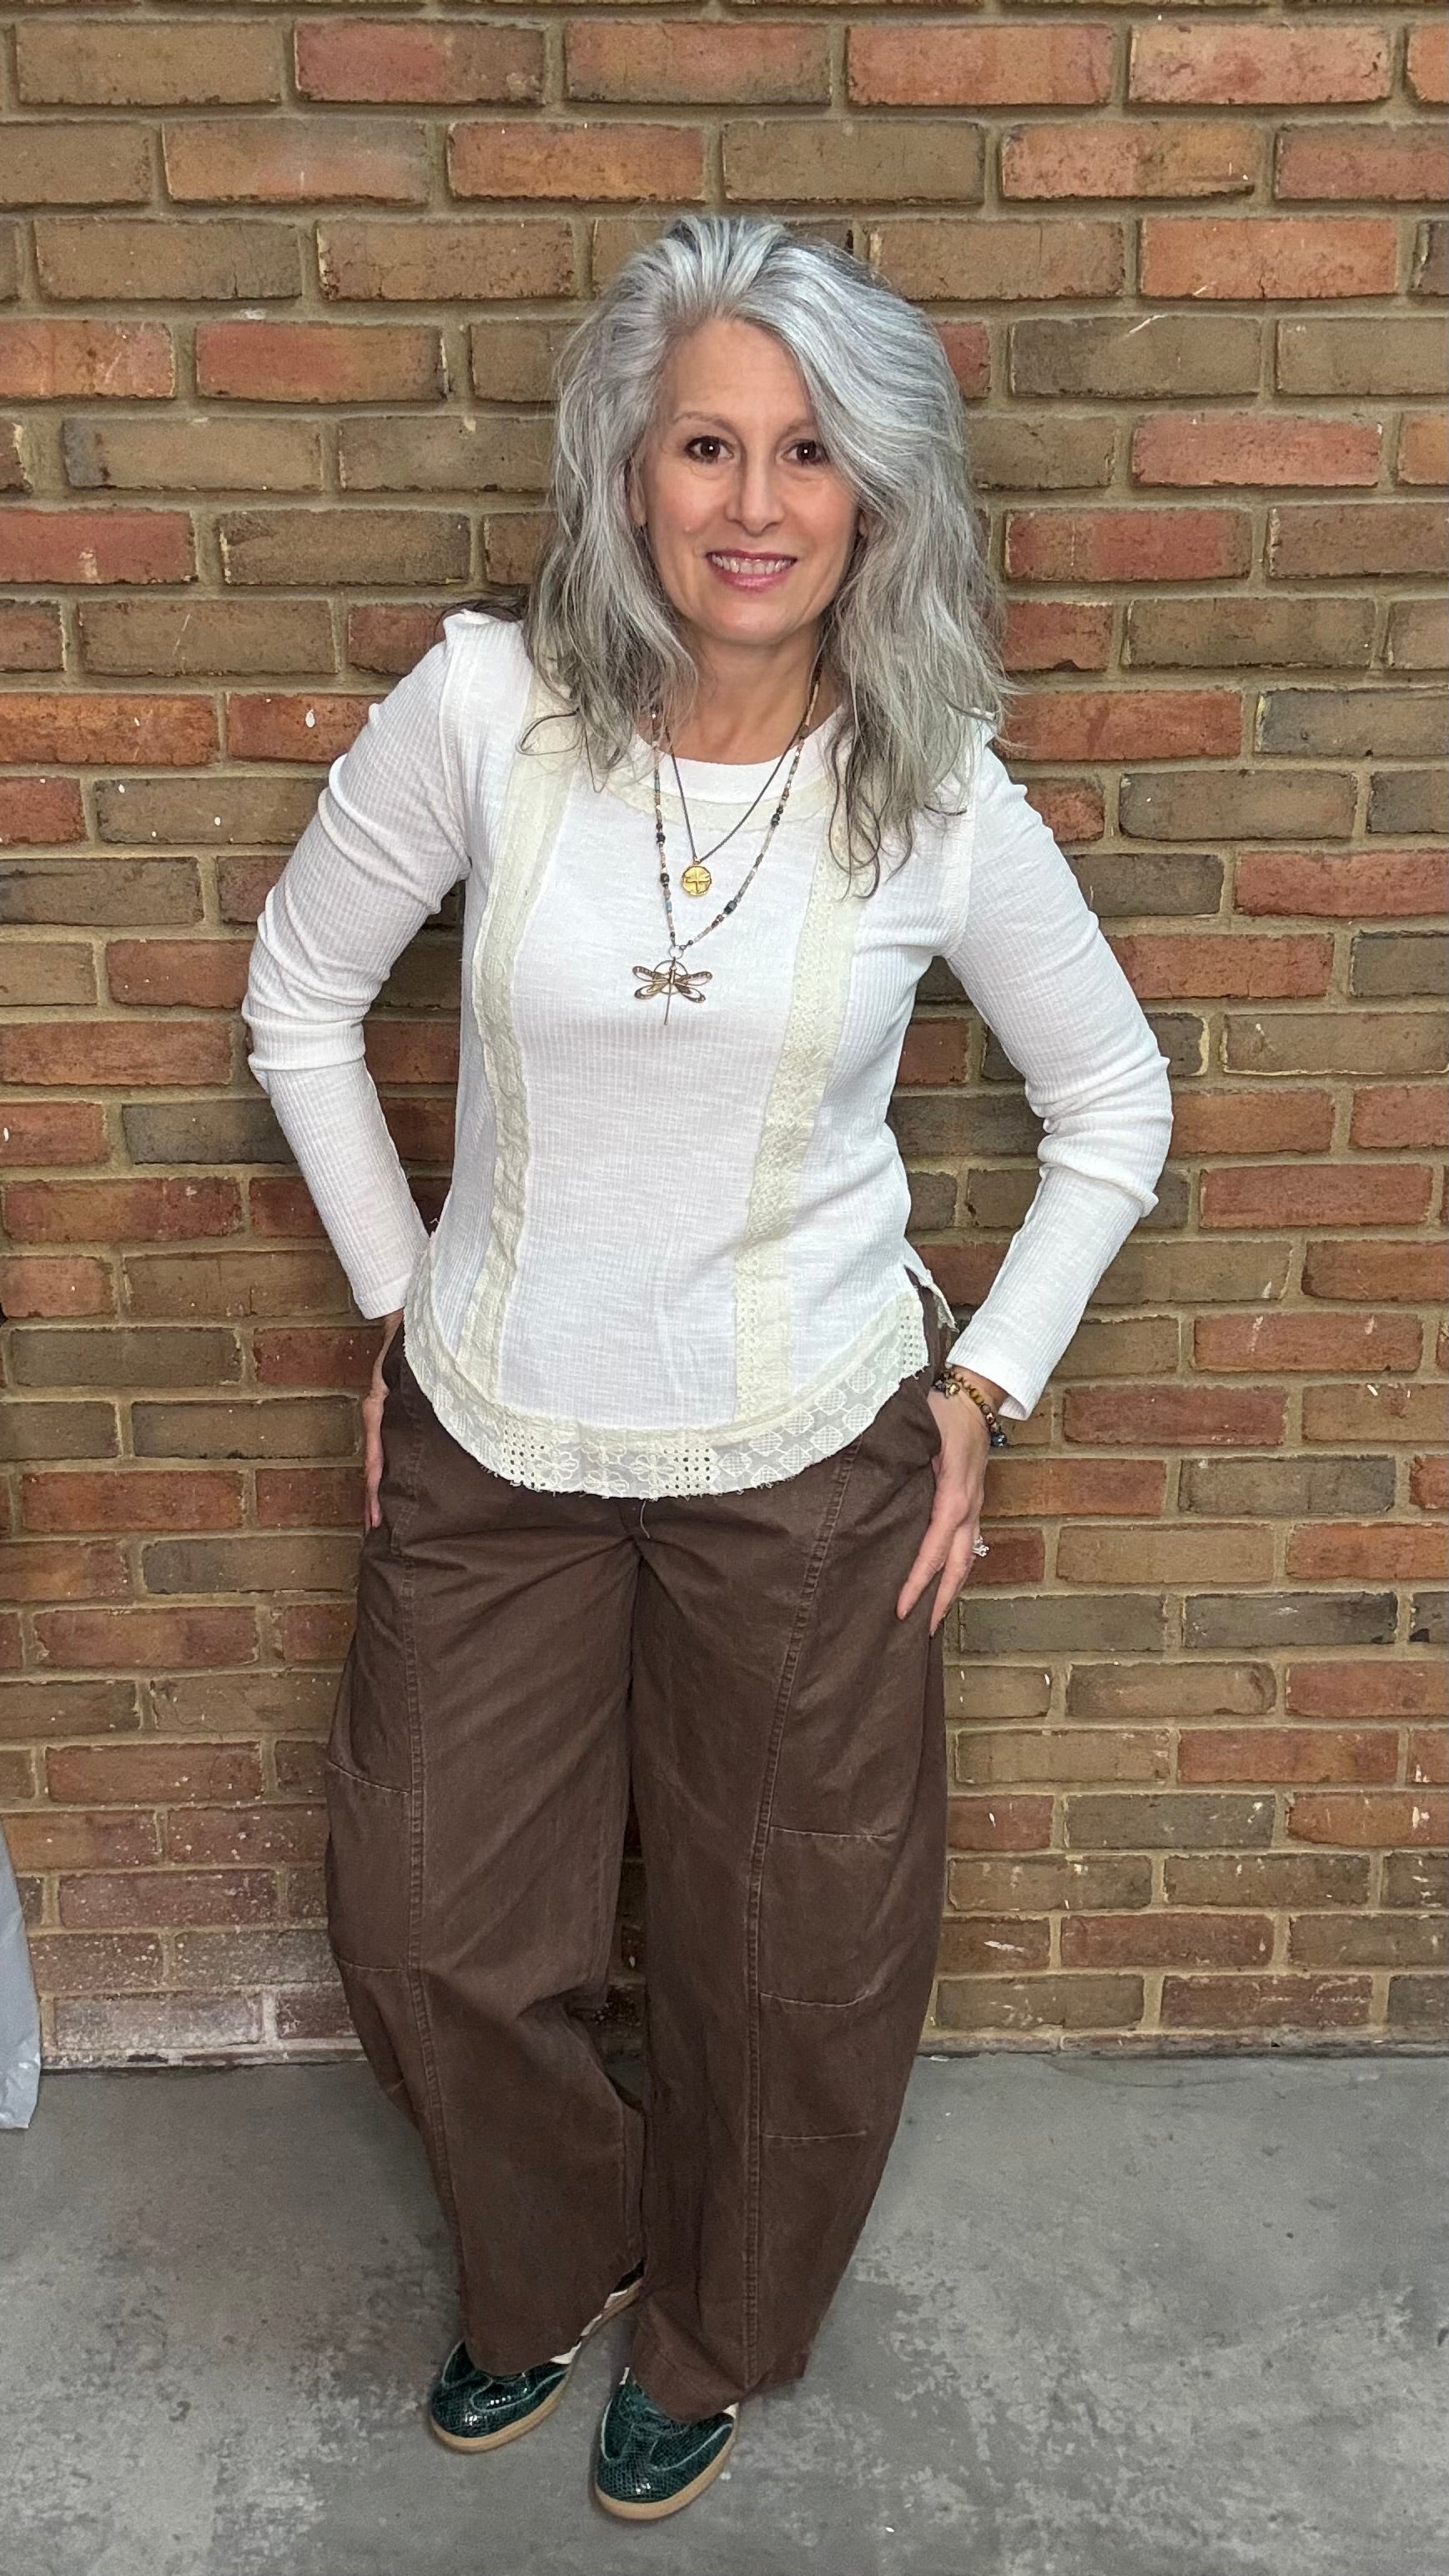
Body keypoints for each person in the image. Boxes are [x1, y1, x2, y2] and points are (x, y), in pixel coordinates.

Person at [243, 211, 1174, 2523]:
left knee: (793, 1958)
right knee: (436, 1923)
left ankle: (714, 2325)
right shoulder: (484, 711)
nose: (752, 504)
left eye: (807, 452)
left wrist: (980, 1394)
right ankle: (548, 2262)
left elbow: (1113, 1108)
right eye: (703, 445)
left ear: (877, 495)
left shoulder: (932, 783)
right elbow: (297, 997)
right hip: (493, 1434)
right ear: (626, 472)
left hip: (806, 1448)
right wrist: (396, 1294)